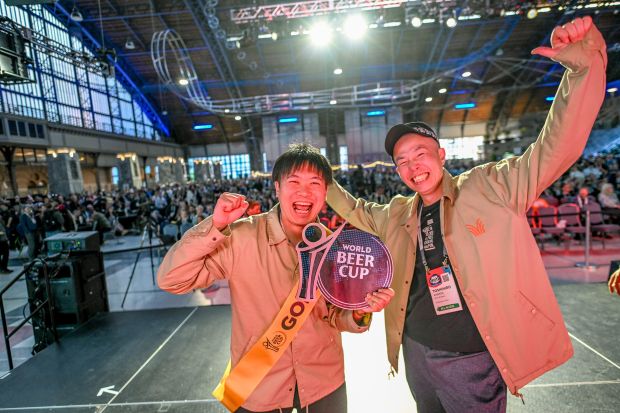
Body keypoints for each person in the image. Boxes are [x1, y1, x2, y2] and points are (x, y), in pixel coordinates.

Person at [326, 16, 606, 413]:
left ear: (441, 155)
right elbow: (355, 209)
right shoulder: (397, 212)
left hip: (472, 358)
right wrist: (322, 181)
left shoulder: (491, 186)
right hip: (416, 351)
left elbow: (555, 147)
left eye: (420, 154)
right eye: (402, 161)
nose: (412, 166)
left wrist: (582, 68)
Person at [157, 143, 394, 413]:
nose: (304, 192)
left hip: (324, 383)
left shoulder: (334, 248)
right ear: (277, 187)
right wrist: (216, 225)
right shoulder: (241, 237)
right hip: (259, 386)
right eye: (294, 182)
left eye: (315, 183)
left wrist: (362, 310)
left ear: (325, 192)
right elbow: (171, 280)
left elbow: (335, 316)